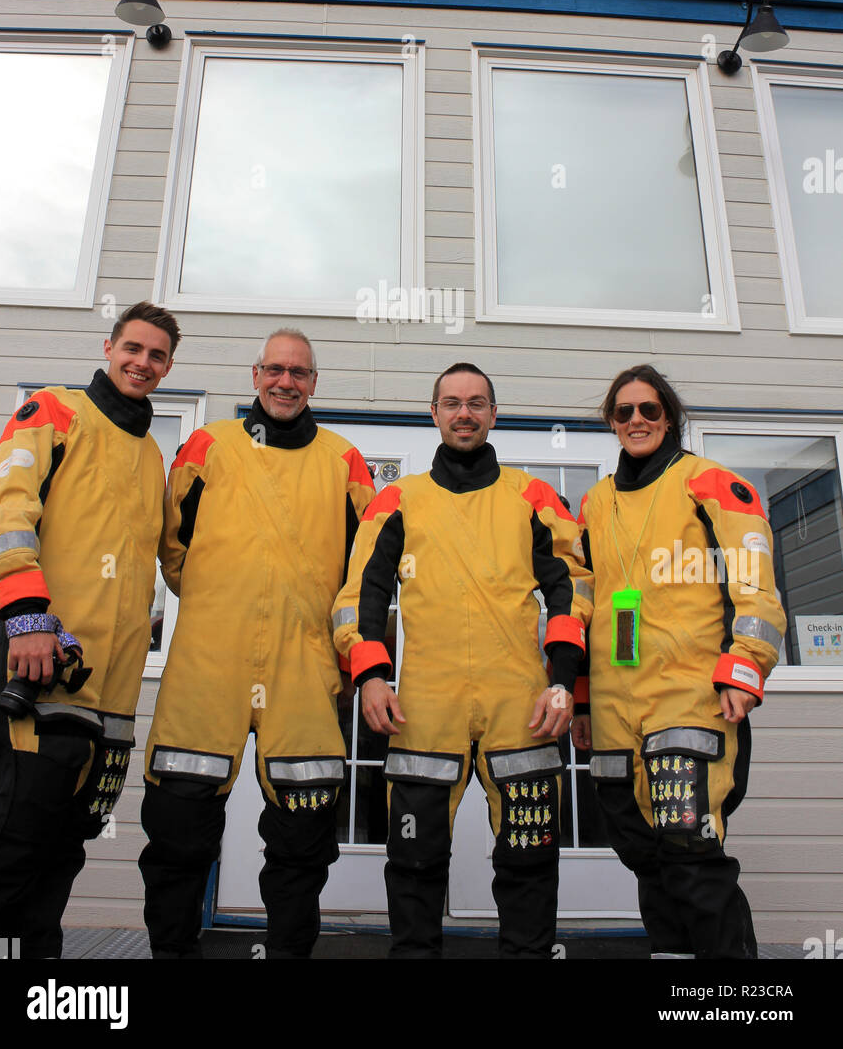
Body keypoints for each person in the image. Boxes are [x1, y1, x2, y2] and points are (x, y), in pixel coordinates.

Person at [332, 362, 593, 959]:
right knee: (414, 863)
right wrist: (370, 674)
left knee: (529, 863)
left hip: (521, 708)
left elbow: (572, 590)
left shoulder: (532, 496)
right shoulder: (399, 500)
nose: (464, 413)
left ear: (493, 414)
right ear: (435, 414)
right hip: (424, 711)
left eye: (476, 403)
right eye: (452, 403)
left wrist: (562, 683)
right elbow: (361, 597)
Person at [138, 328, 374, 959]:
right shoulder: (208, 444)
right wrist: (225, 600)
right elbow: (172, 544)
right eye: (275, 369)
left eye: (299, 372)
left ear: (314, 383)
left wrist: (344, 651)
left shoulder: (345, 460)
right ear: (255, 374)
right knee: (177, 834)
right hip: (205, 667)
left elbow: (363, 573)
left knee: (302, 840)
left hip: (305, 670)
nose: (285, 382)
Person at [0, 301, 180, 959]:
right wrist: (26, 617)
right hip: (45, 665)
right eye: (133, 348)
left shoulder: (152, 457)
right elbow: (7, 511)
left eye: (156, 355)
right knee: (11, 845)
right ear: (109, 345)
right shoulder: (55, 411)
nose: (142, 363)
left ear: (168, 366)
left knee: (62, 854)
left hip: (111, 702)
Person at [571, 364, 786, 960]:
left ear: (670, 417)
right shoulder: (594, 503)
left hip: (691, 699)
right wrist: (583, 698)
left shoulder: (712, 483)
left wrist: (746, 666)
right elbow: (584, 607)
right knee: (643, 855)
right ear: (611, 423)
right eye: (624, 411)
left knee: (692, 851)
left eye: (649, 410)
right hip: (616, 711)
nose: (637, 420)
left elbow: (755, 585)